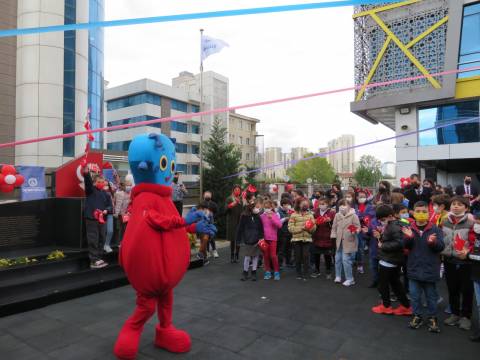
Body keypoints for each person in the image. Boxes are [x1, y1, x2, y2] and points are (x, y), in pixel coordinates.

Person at [403, 201, 445, 333]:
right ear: (413, 213)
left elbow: (441, 247)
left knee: (431, 296)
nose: (421, 214)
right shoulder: (409, 228)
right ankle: (417, 316)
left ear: (429, 213)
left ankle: (432, 317)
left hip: (430, 268)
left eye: (424, 211)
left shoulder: (435, 229)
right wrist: (408, 238)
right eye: (418, 211)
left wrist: (433, 243)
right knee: (414, 296)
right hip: (414, 268)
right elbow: (405, 246)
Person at [441, 196, 475, 331]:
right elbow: (440, 238)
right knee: (452, 288)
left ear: (466, 208)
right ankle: (455, 314)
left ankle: (466, 317)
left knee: (467, 290)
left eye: (459, 204)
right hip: (449, 260)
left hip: (466, 262)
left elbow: (475, 242)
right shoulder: (444, 221)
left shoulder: (472, 223)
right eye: (453, 204)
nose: (455, 206)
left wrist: (468, 252)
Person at [371, 205, 412, 315]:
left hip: (389, 260)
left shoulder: (393, 226)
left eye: (382, 220)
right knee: (395, 283)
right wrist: (380, 236)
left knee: (383, 284)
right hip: (393, 259)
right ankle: (405, 306)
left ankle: (386, 306)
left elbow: (399, 243)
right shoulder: (396, 224)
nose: (381, 222)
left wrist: (382, 245)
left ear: (390, 216)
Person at [82, 167, 111, 269]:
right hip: (91, 219)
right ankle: (93, 260)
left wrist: (106, 210)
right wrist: (86, 174)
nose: (101, 183)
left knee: (102, 238)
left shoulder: (106, 194)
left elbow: (110, 206)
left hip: (102, 219)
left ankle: (98, 257)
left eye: (102, 182)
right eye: (99, 182)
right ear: (94, 183)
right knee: (93, 239)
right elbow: (88, 183)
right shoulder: (90, 191)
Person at [331, 199, 360, 286]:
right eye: (341, 205)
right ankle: (338, 276)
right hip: (339, 241)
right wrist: (333, 235)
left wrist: (355, 231)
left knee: (346, 260)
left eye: (344, 205)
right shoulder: (337, 215)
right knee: (337, 259)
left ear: (349, 206)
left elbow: (358, 227)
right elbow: (334, 227)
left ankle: (350, 278)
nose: (342, 207)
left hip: (349, 241)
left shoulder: (354, 216)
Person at [461, 214, 480, 342]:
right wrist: (467, 253)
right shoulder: (475, 236)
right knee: (479, 304)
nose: (478, 225)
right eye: (477, 222)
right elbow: (473, 253)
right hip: (477, 273)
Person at [288, 197, 316, 281]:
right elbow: (290, 228)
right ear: (298, 204)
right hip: (296, 239)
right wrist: (301, 228)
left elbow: (314, 228)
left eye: (306, 204)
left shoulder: (310, 215)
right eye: (302, 204)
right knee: (298, 257)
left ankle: (305, 273)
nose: (304, 205)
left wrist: (308, 228)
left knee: (306, 256)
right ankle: (298, 272)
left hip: (307, 239)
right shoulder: (293, 215)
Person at [237, 195, 264, 281]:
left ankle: (254, 272)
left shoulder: (258, 216)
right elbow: (240, 228)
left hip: (256, 239)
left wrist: (261, 237)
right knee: (247, 257)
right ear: (250, 208)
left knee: (255, 256)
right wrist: (238, 239)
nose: (257, 209)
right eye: (255, 207)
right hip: (248, 239)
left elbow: (261, 228)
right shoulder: (244, 216)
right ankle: (245, 272)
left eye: (257, 207)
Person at [311, 197, 335, 279]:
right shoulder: (315, 212)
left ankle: (328, 271)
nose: (321, 205)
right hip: (317, 236)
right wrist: (313, 222)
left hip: (327, 237)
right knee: (316, 255)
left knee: (327, 255)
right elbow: (312, 222)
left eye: (323, 204)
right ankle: (317, 270)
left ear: (327, 205)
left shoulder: (331, 213)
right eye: (320, 204)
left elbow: (334, 225)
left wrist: (330, 221)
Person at [260, 200, 283, 281]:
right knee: (266, 256)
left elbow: (279, 225)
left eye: (268, 207)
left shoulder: (274, 215)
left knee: (273, 256)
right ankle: (267, 271)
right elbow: (260, 227)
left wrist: (272, 218)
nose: (267, 209)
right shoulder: (262, 216)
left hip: (273, 239)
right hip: (264, 239)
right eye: (265, 207)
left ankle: (276, 272)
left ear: (271, 208)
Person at [355, 190, 375, 275]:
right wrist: (361, 216)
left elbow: (371, 216)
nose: (362, 198)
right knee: (356, 247)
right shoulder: (354, 206)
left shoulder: (370, 206)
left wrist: (361, 217)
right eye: (360, 197)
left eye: (364, 197)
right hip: (355, 228)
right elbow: (353, 214)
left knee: (361, 247)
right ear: (357, 197)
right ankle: (356, 261)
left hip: (365, 229)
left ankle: (360, 264)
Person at [226, 185, 243, 263]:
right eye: (236, 190)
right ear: (233, 190)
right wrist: (230, 205)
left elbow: (243, 210)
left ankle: (237, 255)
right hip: (232, 221)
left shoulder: (241, 200)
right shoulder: (229, 199)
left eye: (238, 190)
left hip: (240, 221)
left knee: (238, 239)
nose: (237, 191)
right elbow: (225, 209)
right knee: (233, 239)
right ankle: (232, 255)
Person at [277, 197, 293, 269]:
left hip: (289, 232)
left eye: (289, 205)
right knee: (282, 249)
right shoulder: (278, 212)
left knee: (289, 248)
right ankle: (279, 264)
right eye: (287, 204)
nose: (288, 206)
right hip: (282, 233)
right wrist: (285, 218)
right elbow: (278, 222)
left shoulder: (289, 211)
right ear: (283, 205)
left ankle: (288, 262)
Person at [203, 191, 219, 259]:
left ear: (210, 196)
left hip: (211, 222)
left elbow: (217, 212)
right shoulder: (202, 203)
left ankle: (214, 251)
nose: (207, 197)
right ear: (204, 196)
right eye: (206, 195)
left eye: (208, 195)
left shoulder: (213, 204)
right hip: (203, 222)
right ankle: (207, 251)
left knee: (212, 237)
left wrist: (212, 215)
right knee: (205, 237)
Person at [103, 181, 116, 253]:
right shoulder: (100, 192)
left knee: (110, 230)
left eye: (106, 185)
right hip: (102, 213)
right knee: (103, 231)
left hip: (110, 213)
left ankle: (107, 245)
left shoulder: (112, 193)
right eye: (104, 184)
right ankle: (102, 245)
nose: (105, 186)